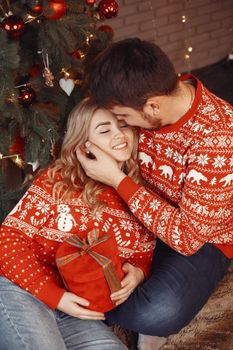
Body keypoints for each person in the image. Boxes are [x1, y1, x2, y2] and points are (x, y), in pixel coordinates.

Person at [76, 38, 233, 349]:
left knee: (158, 312)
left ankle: (94, 309)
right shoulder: (148, 102)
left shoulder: (218, 139)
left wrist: (117, 179)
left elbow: (187, 238)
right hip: (143, 215)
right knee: (76, 260)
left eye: (124, 119)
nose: (122, 127)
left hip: (202, 237)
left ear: (152, 106)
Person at [0, 97, 156, 350]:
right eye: (105, 130)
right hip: (20, 288)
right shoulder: (59, 180)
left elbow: (142, 255)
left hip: (75, 310)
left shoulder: (139, 192)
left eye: (123, 126)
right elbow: (7, 241)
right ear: (84, 144)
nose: (118, 135)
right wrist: (54, 296)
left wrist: (138, 272)